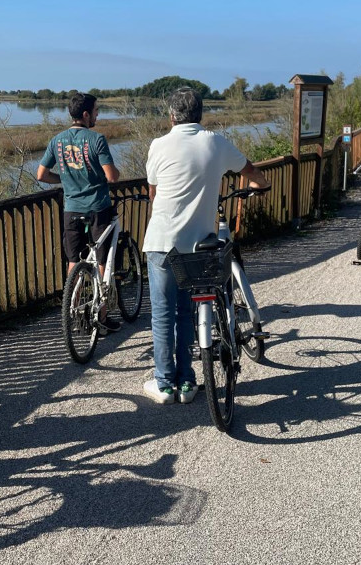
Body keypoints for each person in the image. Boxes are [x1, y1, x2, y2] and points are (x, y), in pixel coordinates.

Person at [142, 88, 269, 405]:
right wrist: (260, 185)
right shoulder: (215, 142)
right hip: (198, 246)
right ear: (200, 114)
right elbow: (251, 171)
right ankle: (187, 383)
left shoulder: (158, 145)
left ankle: (164, 384)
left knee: (162, 315)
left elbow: (154, 194)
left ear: (172, 116)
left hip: (161, 241)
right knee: (187, 312)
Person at [36, 93, 122, 333]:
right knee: (102, 261)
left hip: (71, 209)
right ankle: (102, 316)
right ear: (85, 115)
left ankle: (72, 312)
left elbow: (41, 175)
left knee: (74, 261)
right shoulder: (97, 139)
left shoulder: (57, 140)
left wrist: (64, 181)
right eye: (95, 111)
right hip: (98, 207)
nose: (97, 115)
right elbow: (111, 176)